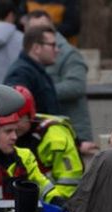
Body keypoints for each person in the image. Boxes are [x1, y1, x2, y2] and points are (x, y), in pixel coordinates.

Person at [24, 10, 93, 149]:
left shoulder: (69, 54)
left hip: (73, 132)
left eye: (43, 28)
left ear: (52, 29)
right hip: (47, 131)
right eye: (34, 29)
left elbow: (76, 86)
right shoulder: (27, 56)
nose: (38, 33)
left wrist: (40, 92)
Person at [13, 85, 83, 205]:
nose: (13, 125)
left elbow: (69, 181)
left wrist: (55, 206)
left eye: (18, 119)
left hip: (55, 205)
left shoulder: (55, 138)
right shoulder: (13, 133)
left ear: (30, 115)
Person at [3, 24, 60, 115]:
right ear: (36, 48)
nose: (57, 50)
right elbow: (19, 115)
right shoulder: (21, 73)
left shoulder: (38, 72)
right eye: (52, 45)